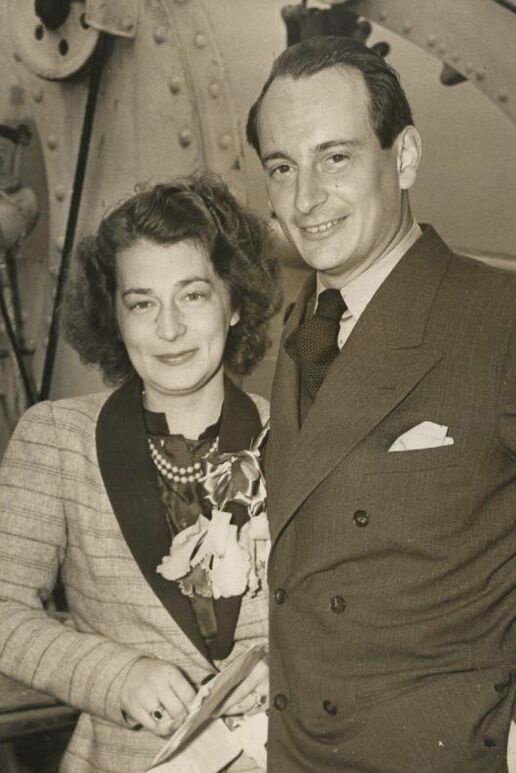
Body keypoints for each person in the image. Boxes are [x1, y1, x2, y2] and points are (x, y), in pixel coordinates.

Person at [246, 35, 516, 773]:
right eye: (282, 167)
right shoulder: (305, 324)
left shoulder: (513, 325)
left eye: (335, 158)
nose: (305, 199)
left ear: (404, 157)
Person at [0, 173, 281, 772]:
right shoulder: (55, 439)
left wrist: (286, 664)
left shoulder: (298, 436)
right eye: (142, 303)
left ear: (235, 304)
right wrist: (116, 675)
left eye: (193, 296)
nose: (169, 328)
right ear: (115, 317)